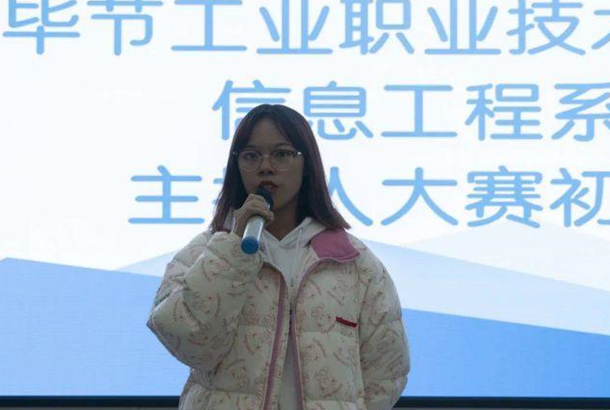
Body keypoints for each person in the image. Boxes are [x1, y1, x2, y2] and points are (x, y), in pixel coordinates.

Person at [146, 104, 411, 410]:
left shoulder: (353, 262)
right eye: (251, 156)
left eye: (282, 154)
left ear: (307, 164)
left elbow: (387, 370)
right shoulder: (208, 252)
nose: (265, 167)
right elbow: (188, 342)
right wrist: (233, 250)